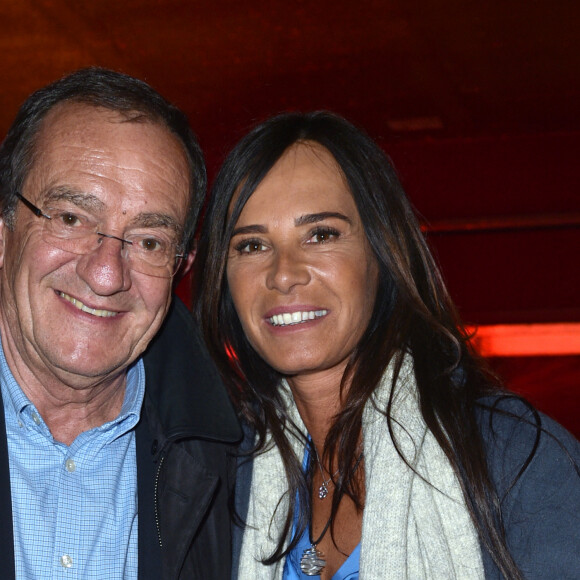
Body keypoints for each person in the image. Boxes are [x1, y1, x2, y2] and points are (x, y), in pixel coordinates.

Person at [193, 111, 580, 580]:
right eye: (252, 245)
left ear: (383, 255)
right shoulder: (217, 481)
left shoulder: (517, 461)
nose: (283, 272)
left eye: (321, 234)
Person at [0, 67, 240, 579]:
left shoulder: (240, 463)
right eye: (71, 218)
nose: (107, 274)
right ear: (3, 231)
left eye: (150, 241)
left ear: (181, 267)